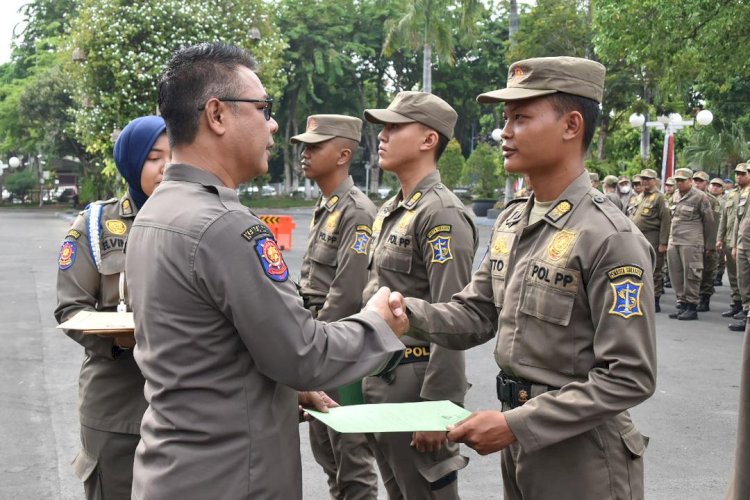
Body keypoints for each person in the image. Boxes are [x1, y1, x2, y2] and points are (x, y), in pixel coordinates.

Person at [124, 42, 407, 500]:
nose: (272, 123)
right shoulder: (224, 226)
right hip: (232, 477)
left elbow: (203, 351)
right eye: (262, 108)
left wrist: (281, 394)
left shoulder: (157, 212)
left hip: (174, 468)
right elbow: (303, 355)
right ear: (216, 115)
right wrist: (379, 324)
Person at [398, 56, 656, 500]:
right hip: (519, 441)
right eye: (506, 119)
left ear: (571, 125)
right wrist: (406, 314)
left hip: (582, 456)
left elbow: (629, 376)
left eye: (521, 117)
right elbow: (477, 312)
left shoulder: (609, 236)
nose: (505, 132)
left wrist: (516, 425)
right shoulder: (514, 219)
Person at [361, 91, 478, 499]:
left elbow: (456, 316)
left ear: (429, 140)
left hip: (417, 386)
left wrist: (438, 406)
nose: (383, 135)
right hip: (382, 379)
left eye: (394, 127)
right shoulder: (393, 208)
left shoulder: (441, 213)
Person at [54, 115, 170, 499]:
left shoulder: (199, 223)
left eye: (175, 155)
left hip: (188, 408)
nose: (167, 167)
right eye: (155, 157)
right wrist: (119, 340)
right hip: (119, 409)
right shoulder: (94, 225)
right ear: (132, 162)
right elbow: (70, 310)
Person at [291, 114, 379, 499]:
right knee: (327, 454)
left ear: (344, 154)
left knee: (351, 460)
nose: (304, 154)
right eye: (304, 146)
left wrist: (312, 347)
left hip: (338, 349)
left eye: (315, 146)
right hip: (319, 343)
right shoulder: (328, 206)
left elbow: (345, 293)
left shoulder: (357, 211)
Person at [666, 168, 715, 320]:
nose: (679, 183)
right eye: (677, 181)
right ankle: (682, 303)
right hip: (674, 240)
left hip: (692, 241)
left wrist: (709, 245)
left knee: (692, 274)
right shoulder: (674, 195)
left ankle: (692, 306)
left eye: (682, 180)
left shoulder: (700, 197)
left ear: (690, 181)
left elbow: (709, 222)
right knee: (676, 274)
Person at [629, 168, 670, 312]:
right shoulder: (640, 196)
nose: (644, 181)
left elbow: (666, 220)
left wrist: (663, 242)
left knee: (654, 269)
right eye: (643, 179)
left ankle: (655, 299)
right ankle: (641, 298)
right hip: (638, 237)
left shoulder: (659, 197)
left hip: (652, 237)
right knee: (638, 268)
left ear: (654, 180)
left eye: (648, 179)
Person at [692, 170, 721, 311]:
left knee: (708, 271)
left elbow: (714, 225)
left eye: (700, 181)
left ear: (706, 184)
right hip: (693, 241)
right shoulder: (687, 197)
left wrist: (710, 246)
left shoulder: (711, 200)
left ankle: (705, 299)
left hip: (707, 240)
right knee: (694, 271)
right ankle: (694, 298)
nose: (697, 183)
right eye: (695, 180)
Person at [718, 169, 743, 318]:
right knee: (733, 275)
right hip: (728, 239)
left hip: (742, 241)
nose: (739, 176)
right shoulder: (732, 194)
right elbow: (724, 218)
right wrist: (719, 238)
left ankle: (745, 308)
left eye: (742, 174)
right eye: (737, 174)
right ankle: (737, 303)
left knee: (743, 276)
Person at [731, 163, 750, 331]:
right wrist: (735, 244)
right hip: (744, 243)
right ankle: (747, 314)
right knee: (743, 281)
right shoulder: (745, 193)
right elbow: (738, 219)